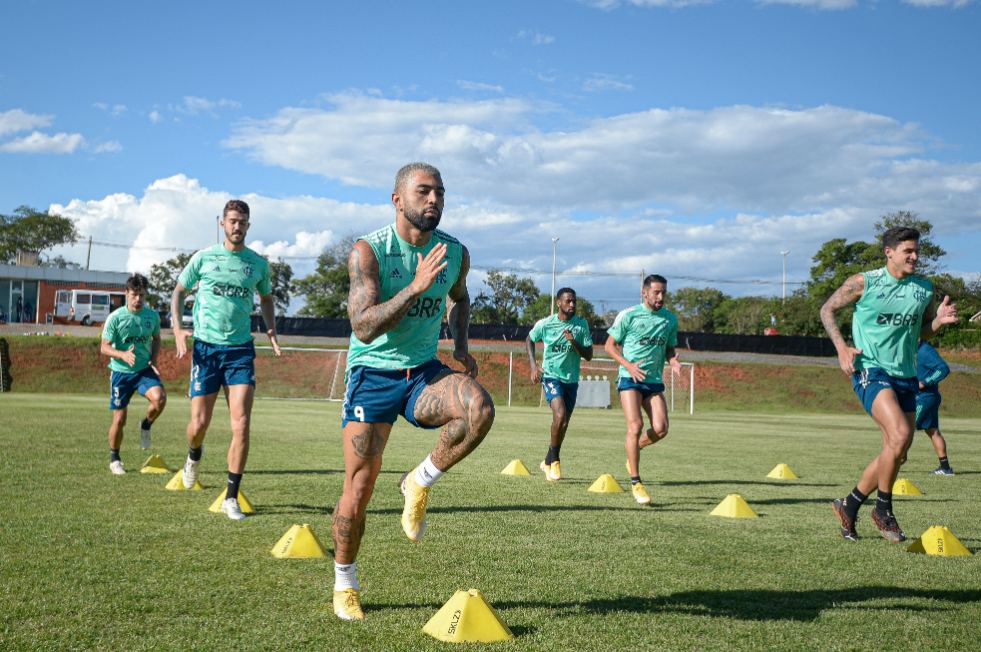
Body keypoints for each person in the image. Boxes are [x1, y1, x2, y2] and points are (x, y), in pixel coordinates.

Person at [331, 162, 494, 621]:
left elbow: (460, 297)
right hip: (373, 375)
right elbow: (363, 327)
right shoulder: (369, 251)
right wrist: (416, 286)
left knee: (479, 409)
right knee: (359, 487)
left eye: (440, 193)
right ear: (397, 200)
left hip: (422, 372)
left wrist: (460, 346)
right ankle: (345, 582)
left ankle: (418, 481)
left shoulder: (455, 252)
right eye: (423, 192)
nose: (434, 200)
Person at [822, 226, 957, 543]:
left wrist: (937, 320)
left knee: (898, 451)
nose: (914, 256)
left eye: (916, 250)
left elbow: (924, 332)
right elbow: (827, 309)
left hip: (906, 375)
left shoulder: (924, 289)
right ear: (889, 252)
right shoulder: (863, 282)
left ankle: (850, 505)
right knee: (900, 435)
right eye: (908, 250)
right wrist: (842, 348)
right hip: (871, 369)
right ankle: (883, 511)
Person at [171, 199, 282, 520]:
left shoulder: (258, 265)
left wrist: (271, 329)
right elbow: (178, 292)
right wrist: (178, 329)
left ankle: (231, 496)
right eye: (232, 221)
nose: (237, 226)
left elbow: (266, 298)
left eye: (242, 222)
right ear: (223, 223)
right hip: (205, 350)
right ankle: (194, 455)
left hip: (240, 352)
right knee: (199, 425)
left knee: (242, 423)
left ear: (248, 226)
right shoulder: (204, 259)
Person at [604, 274, 681, 505]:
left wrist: (673, 361)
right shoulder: (628, 315)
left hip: (653, 380)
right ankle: (636, 483)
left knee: (661, 428)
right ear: (644, 292)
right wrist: (628, 365)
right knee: (635, 426)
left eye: (663, 292)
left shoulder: (669, 319)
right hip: (630, 378)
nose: (660, 297)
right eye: (656, 292)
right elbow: (608, 346)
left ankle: (634, 449)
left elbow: (669, 348)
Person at [100, 274, 166, 474]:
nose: (138, 299)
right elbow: (104, 347)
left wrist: (153, 359)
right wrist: (122, 354)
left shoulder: (152, 316)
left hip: (143, 371)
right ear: (126, 293)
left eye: (142, 295)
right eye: (135, 295)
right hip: (121, 373)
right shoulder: (116, 317)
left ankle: (146, 425)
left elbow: (157, 339)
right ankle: (115, 459)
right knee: (119, 420)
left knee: (160, 400)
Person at [525, 288, 594, 481]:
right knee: (560, 413)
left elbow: (589, 355)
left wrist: (575, 343)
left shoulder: (581, 325)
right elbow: (530, 338)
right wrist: (533, 366)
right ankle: (555, 462)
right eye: (568, 301)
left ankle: (547, 461)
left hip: (571, 379)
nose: (572, 305)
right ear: (559, 303)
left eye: (574, 302)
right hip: (551, 376)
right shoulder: (547, 324)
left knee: (563, 423)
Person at [916, 339, 954, 475]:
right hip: (928, 397)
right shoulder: (914, 349)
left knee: (905, 429)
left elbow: (943, 368)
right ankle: (945, 468)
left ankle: (891, 463)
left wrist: (925, 382)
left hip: (924, 398)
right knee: (932, 431)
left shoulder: (925, 350)